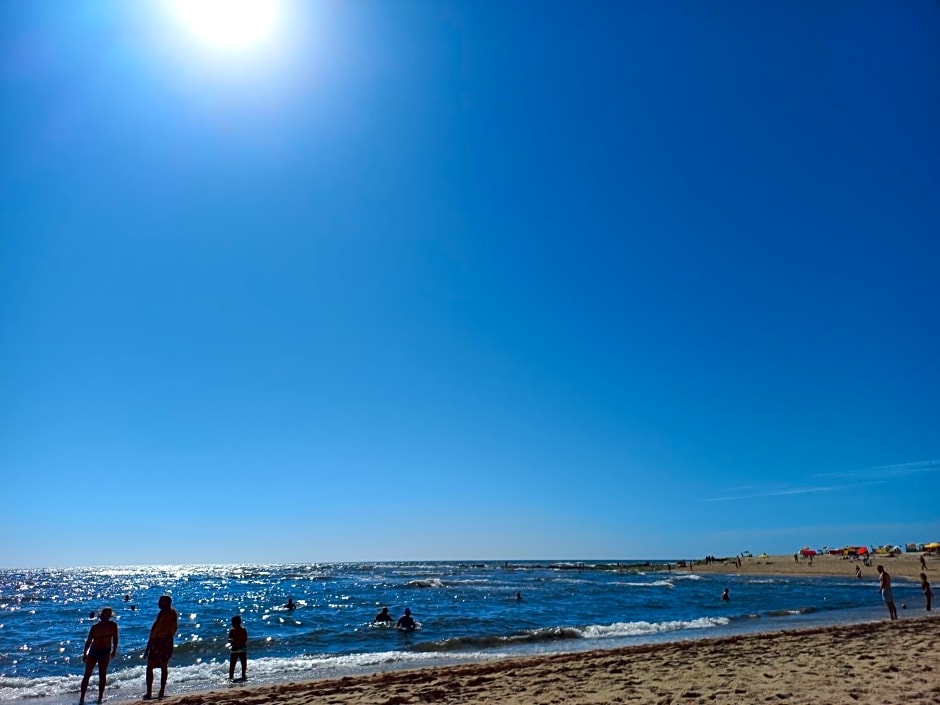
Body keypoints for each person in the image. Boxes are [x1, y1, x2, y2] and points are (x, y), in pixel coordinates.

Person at [80, 607, 118, 705]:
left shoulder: (113, 626)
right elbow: (89, 641)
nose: (108, 615)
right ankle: (82, 698)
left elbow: (115, 638)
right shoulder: (95, 627)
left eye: (109, 613)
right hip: (94, 650)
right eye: (106, 613)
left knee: (102, 674)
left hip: (105, 651)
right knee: (87, 674)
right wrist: (85, 653)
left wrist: (114, 650)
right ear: (102, 615)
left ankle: (100, 697)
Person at [144, 595, 179, 699]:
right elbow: (174, 628)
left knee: (150, 666)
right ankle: (161, 691)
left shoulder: (163, 614)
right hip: (168, 641)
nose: (158, 603)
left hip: (158, 641)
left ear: (166, 603)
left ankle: (149, 692)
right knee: (164, 666)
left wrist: (149, 644)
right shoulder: (173, 613)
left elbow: (155, 629)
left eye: (160, 602)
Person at [228, 615, 248, 680]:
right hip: (242, 649)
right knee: (243, 663)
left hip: (235, 649)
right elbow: (245, 639)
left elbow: (229, 639)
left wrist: (232, 642)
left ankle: (231, 676)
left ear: (234, 623)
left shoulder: (232, 631)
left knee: (232, 664)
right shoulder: (243, 630)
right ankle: (243, 675)